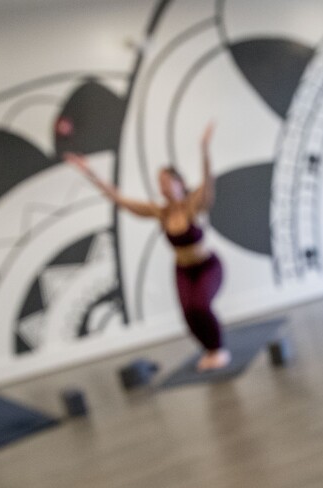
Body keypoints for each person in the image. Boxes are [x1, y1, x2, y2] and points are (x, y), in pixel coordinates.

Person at [64, 124, 231, 371]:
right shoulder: (160, 212)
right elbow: (119, 199)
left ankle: (218, 349)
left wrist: (204, 149)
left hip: (206, 266)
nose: (162, 186)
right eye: (159, 182)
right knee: (188, 313)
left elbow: (208, 184)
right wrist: (90, 173)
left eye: (166, 181)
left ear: (179, 182)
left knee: (200, 306)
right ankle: (209, 351)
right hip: (183, 270)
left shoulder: (192, 205)